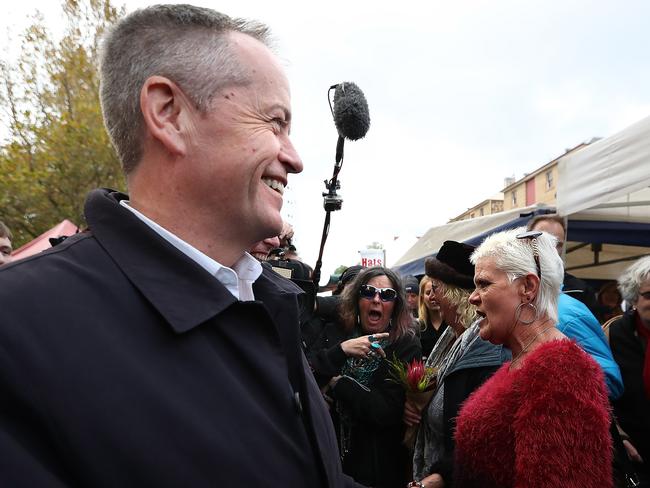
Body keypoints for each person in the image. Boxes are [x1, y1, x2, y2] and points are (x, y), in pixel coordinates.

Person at [0, 5, 361, 487]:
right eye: (274, 123)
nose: (294, 160)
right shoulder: (18, 329)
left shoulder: (266, 300)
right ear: (169, 114)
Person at [453, 228, 612, 488]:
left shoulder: (560, 372)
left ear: (527, 287)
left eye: (484, 284)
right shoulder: (527, 361)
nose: (472, 297)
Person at [407, 241, 509, 488]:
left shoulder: (487, 348)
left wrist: (441, 478)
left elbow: (483, 440)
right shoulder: (451, 337)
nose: (431, 296)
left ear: (453, 294)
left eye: (435, 288)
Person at [312, 266, 421, 488]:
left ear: (396, 304)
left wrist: (338, 383)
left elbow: (384, 411)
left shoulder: (404, 344)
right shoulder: (336, 334)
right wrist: (341, 350)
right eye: (368, 292)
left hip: (377, 469)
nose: (377, 300)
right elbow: (309, 374)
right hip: (329, 461)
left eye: (387, 295)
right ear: (357, 298)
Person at [528, 213, 623, 399]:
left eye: (558, 243)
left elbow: (608, 379)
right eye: (542, 238)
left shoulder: (576, 295)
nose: (551, 248)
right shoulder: (519, 294)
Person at [606, 256, 650, 486]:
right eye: (648, 295)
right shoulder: (614, 334)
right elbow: (600, 392)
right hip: (634, 463)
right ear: (633, 297)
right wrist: (619, 434)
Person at [416, 276, 447, 358]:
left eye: (435, 291)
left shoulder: (452, 323)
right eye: (428, 292)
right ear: (422, 297)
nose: (432, 297)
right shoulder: (418, 327)